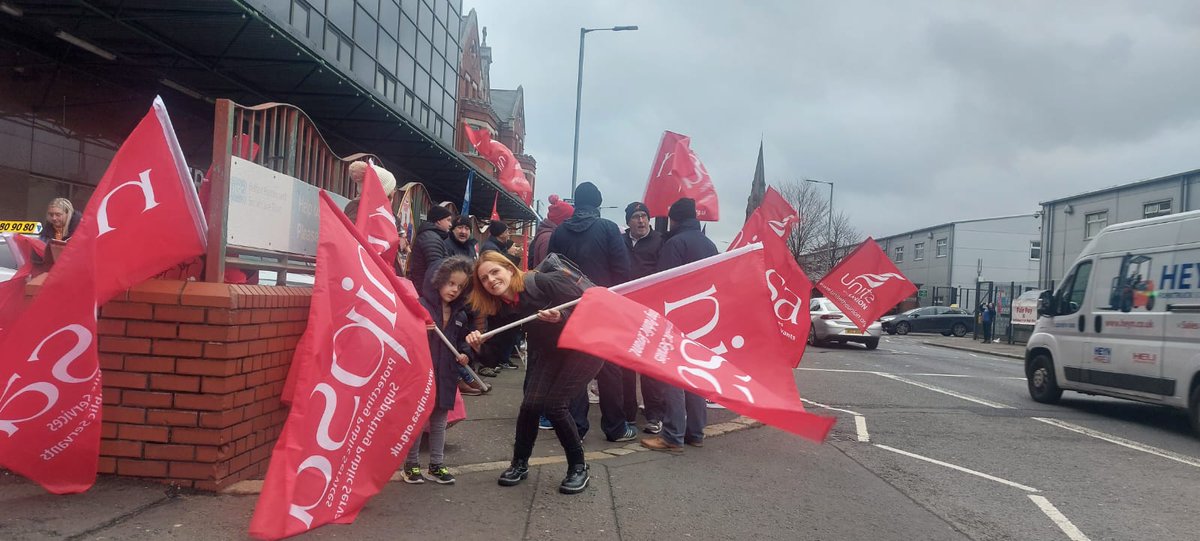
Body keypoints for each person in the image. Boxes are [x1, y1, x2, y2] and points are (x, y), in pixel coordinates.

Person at [466, 251, 603, 495]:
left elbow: (592, 305)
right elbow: (494, 355)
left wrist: (561, 316)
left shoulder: (541, 281)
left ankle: (578, 467)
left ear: (509, 269)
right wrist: (477, 347)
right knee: (530, 405)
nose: (491, 280)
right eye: (485, 278)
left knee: (555, 405)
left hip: (585, 345)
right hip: (549, 350)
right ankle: (519, 463)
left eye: (495, 272)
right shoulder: (501, 308)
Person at [548, 182, 635, 443]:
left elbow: (549, 268)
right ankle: (616, 427)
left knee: (574, 367)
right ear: (597, 203)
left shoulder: (560, 231)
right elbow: (623, 271)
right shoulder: (608, 228)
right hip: (602, 307)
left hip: (568, 308)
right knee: (608, 368)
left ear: (576, 203)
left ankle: (576, 427)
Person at [642, 198, 718, 453]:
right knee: (696, 375)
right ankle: (695, 432)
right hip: (704, 319)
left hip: (678, 317)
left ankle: (673, 435)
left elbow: (664, 282)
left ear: (674, 219)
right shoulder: (709, 244)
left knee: (674, 375)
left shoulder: (675, 243)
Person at [403, 257, 484, 485]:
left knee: (439, 422)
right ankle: (411, 465)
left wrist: (466, 353)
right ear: (437, 281)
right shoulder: (420, 307)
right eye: (450, 283)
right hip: (422, 375)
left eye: (459, 286)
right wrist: (421, 330)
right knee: (418, 421)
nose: (454, 290)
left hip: (446, 374)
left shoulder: (459, 315)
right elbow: (406, 337)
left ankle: (436, 465)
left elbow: (462, 341)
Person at [623, 201, 667, 435]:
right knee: (626, 364)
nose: (641, 220)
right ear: (628, 221)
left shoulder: (660, 242)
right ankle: (628, 414)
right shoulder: (620, 242)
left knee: (650, 365)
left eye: (644, 216)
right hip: (625, 311)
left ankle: (655, 414)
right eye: (636, 217)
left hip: (650, 312)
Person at [410, 204, 453, 290]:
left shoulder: (430, 235)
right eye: (448, 220)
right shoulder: (431, 238)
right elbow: (436, 271)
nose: (450, 224)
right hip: (426, 291)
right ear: (439, 221)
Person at [529, 195, 574, 266]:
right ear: (562, 220)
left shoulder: (547, 234)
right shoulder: (548, 238)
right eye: (570, 220)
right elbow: (549, 269)